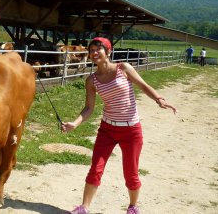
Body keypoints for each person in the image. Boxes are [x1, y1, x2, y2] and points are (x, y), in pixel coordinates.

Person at [62, 37, 177, 214]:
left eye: (97, 50)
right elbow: (89, 108)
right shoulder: (91, 81)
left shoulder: (123, 68)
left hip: (131, 130)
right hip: (107, 130)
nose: (93, 53)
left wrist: (158, 99)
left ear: (108, 52)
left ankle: (132, 207)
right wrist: (75, 124)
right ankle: (84, 208)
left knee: (131, 173)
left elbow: (143, 85)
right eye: (91, 50)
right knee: (96, 168)